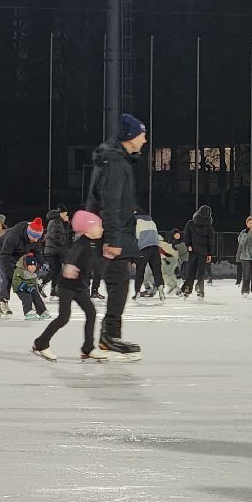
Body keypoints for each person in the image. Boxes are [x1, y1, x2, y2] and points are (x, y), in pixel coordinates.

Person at [86, 114, 145, 357]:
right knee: (118, 286)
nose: (144, 140)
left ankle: (108, 336)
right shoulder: (116, 163)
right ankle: (109, 336)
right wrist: (112, 239)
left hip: (114, 233)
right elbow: (110, 203)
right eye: (142, 135)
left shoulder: (116, 161)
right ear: (130, 137)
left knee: (118, 286)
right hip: (111, 235)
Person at [31, 210, 109, 362]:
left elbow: (94, 263)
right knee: (63, 318)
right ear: (88, 229)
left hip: (79, 286)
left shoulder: (94, 243)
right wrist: (70, 265)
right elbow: (72, 254)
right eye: (98, 226)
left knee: (91, 313)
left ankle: (88, 348)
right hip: (67, 285)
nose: (101, 229)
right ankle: (40, 343)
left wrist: (106, 257)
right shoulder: (82, 242)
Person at [0, 216, 45, 317]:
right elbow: (4, 256)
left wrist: (39, 268)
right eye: (34, 237)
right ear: (28, 233)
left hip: (18, 254)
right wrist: (11, 274)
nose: (35, 240)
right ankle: (3, 303)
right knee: (7, 276)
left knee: (28, 275)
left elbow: (37, 254)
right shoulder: (14, 235)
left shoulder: (36, 237)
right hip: (2, 252)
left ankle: (34, 302)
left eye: (37, 238)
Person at [180, 204, 216, 298]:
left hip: (193, 251)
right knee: (201, 273)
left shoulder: (191, 223)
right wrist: (210, 254)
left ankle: (187, 288)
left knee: (191, 271)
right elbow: (211, 241)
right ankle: (200, 290)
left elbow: (186, 235)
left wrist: (188, 245)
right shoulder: (209, 226)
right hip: (203, 252)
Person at [12, 254, 51, 320]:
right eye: (30, 265)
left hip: (31, 288)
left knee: (37, 296)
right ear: (26, 265)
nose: (32, 267)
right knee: (27, 297)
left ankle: (42, 311)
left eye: (34, 265)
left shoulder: (35, 272)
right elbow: (15, 281)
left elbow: (35, 282)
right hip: (20, 288)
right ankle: (28, 312)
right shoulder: (20, 270)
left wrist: (36, 288)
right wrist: (24, 287)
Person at [42, 206, 72, 293]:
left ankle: (54, 289)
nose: (66, 216)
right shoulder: (56, 222)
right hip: (53, 251)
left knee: (57, 270)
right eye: (65, 214)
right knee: (54, 270)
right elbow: (57, 236)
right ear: (61, 213)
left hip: (54, 250)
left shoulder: (56, 221)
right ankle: (41, 283)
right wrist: (64, 242)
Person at [134, 212, 161, 297]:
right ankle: (160, 286)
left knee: (140, 270)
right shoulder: (152, 222)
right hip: (155, 247)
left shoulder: (137, 222)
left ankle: (137, 291)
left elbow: (137, 237)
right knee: (157, 270)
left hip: (144, 248)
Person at [236, 216, 252, 296]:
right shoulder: (243, 232)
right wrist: (246, 233)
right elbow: (241, 242)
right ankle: (245, 291)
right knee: (246, 274)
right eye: (249, 223)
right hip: (245, 256)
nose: (251, 225)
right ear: (247, 224)